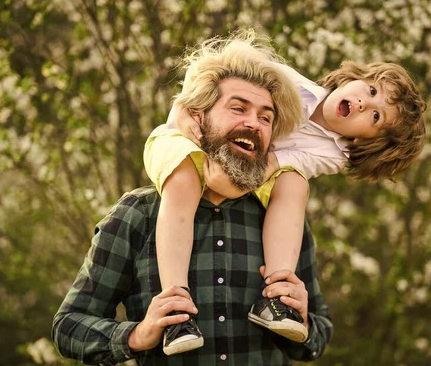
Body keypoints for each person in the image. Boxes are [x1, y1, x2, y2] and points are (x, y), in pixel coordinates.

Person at [51, 30, 334, 365]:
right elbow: (69, 326)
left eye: (265, 117)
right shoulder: (138, 214)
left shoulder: (281, 220)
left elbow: (318, 334)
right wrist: (138, 334)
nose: (253, 123)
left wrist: (303, 320)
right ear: (199, 117)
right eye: (238, 108)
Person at [149, 34, 426, 353]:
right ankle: (174, 308)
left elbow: (269, 168)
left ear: (367, 141)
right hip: (189, 139)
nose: (365, 103)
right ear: (353, 78)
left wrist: (224, 182)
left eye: (376, 116)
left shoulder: (333, 155)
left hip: (246, 166)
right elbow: (213, 66)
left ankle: (277, 297)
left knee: (295, 184)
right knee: (183, 179)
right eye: (371, 90)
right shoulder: (290, 83)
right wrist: (184, 111)